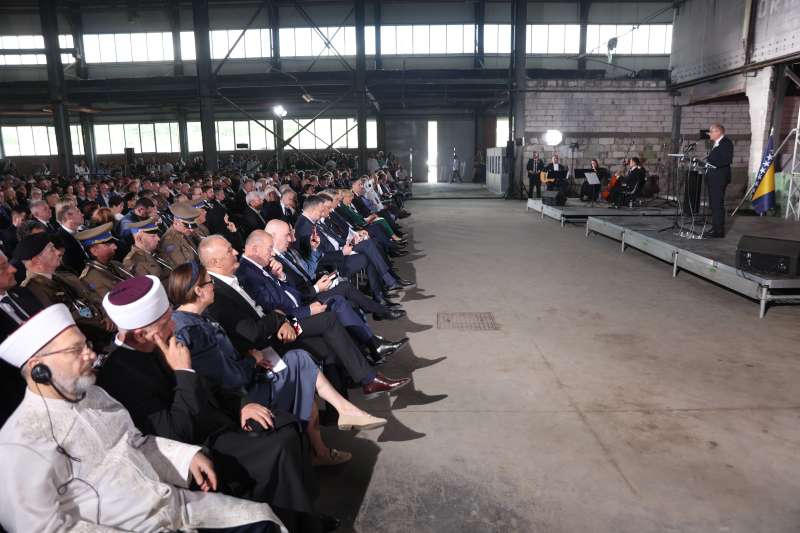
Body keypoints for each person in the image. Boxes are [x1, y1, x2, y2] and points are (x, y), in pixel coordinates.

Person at [0, 303, 287, 533]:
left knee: (262, 519)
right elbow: (41, 527)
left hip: (171, 505)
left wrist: (185, 458)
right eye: (76, 350)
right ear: (38, 368)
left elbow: (136, 442)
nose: (90, 355)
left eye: (86, 345)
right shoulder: (19, 443)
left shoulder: (96, 397)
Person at [97, 276, 324, 532]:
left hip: (217, 419)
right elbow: (173, 434)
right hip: (198, 447)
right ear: (140, 334)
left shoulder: (157, 341)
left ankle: (304, 516)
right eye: (166, 322)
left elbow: (209, 384)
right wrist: (182, 373)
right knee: (278, 447)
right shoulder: (121, 374)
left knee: (287, 426)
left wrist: (241, 405)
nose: (174, 324)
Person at [168, 262, 387, 465]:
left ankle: (335, 424)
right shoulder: (192, 330)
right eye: (209, 283)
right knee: (304, 360)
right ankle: (337, 422)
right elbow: (228, 376)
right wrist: (252, 360)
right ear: (198, 291)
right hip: (242, 396)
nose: (213, 286)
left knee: (302, 360)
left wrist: (253, 355)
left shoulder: (201, 318)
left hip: (253, 367)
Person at [198, 235, 412, 400]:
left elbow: (283, 298)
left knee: (327, 339)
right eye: (229, 250)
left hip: (280, 324)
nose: (236, 251)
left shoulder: (237, 276)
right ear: (216, 261)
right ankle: (368, 375)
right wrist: (280, 318)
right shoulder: (225, 287)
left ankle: (346, 398)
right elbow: (257, 326)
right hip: (273, 337)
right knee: (328, 319)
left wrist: (280, 278)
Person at [238, 230, 407, 364]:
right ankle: (369, 350)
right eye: (287, 235)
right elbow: (275, 309)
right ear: (257, 248)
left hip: (300, 304)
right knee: (336, 309)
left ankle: (371, 344)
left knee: (341, 298)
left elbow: (295, 287)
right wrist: (312, 299)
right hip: (290, 321)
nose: (292, 238)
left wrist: (281, 277)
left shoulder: (266, 263)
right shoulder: (251, 272)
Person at [267, 219, 405, 321]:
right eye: (287, 235)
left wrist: (314, 250)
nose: (291, 239)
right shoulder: (273, 263)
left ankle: (377, 316)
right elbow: (292, 295)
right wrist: (316, 288)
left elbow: (308, 272)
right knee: (345, 289)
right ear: (272, 237)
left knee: (348, 293)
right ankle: (381, 310)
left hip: (314, 285)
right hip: (307, 299)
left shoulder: (287, 252)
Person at [76, 222, 129, 297]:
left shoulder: (116, 264)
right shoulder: (90, 278)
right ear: (94, 251)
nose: (115, 247)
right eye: (108, 245)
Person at [705, 123, 734, 238]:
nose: (709, 134)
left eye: (711, 132)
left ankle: (719, 231)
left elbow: (727, 160)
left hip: (719, 178)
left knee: (717, 204)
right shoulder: (716, 143)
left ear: (718, 132)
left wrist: (710, 162)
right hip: (713, 177)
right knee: (713, 204)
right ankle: (715, 227)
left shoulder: (726, 143)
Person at [159, 201, 200, 268]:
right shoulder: (170, 241)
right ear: (176, 222)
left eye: (192, 226)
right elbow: (183, 267)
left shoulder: (183, 232)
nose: (191, 230)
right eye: (187, 226)